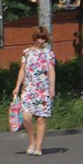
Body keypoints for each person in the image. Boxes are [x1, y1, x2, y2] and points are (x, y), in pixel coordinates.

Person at [13, 26, 56, 156]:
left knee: (40, 119)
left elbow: (51, 71)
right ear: (34, 38)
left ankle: (38, 147)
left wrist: (52, 87)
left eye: (43, 38)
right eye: (38, 38)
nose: (40, 40)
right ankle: (32, 141)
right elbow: (22, 70)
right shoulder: (27, 52)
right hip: (28, 89)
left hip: (42, 90)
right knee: (26, 118)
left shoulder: (49, 53)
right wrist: (17, 86)